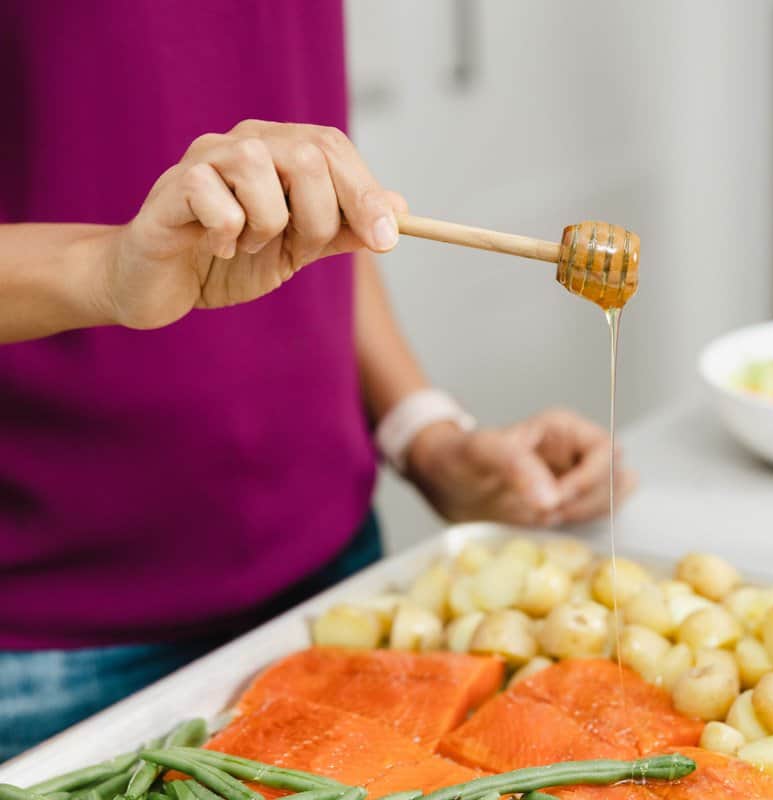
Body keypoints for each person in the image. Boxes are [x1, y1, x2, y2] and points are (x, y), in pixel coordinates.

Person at [0, 1, 634, 759]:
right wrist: (104, 269)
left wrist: (424, 434)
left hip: (338, 582)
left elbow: (312, 205)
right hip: (53, 645)